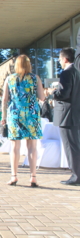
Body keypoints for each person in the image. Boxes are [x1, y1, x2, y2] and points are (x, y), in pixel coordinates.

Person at [1, 55, 44, 186]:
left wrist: (3, 117)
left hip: (15, 113)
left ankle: (14, 176)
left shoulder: (10, 78)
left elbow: (4, 100)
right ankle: (33, 177)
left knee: (15, 147)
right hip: (31, 114)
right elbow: (41, 97)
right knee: (32, 147)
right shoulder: (35, 78)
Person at [52, 48, 80, 186]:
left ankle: (76, 176)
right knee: (75, 145)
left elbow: (64, 94)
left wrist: (54, 92)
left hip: (67, 115)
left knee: (71, 146)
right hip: (75, 114)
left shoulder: (67, 72)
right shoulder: (77, 71)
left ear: (65, 59)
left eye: (59, 58)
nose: (58, 61)